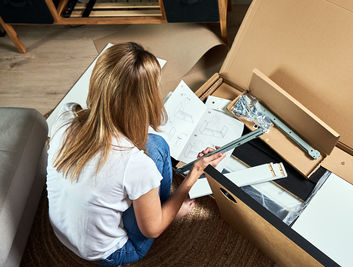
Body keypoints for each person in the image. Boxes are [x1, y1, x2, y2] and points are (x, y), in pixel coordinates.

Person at [46, 42, 225, 266]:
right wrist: (194, 174)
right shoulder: (135, 165)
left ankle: (153, 207)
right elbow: (153, 231)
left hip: (62, 232)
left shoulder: (65, 119)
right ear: (145, 102)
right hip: (110, 254)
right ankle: (165, 209)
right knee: (157, 149)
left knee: (155, 144)